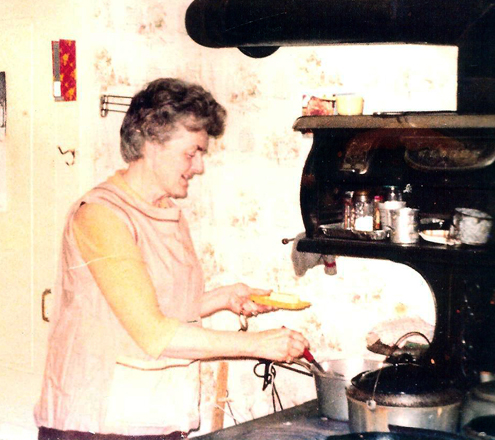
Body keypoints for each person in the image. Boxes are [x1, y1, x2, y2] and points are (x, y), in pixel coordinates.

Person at [35, 78, 310, 440]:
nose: (198, 167)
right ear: (150, 141)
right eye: (191, 152)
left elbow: (156, 304)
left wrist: (223, 298)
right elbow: (154, 333)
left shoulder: (166, 211)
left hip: (156, 413)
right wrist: (258, 345)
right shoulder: (101, 216)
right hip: (97, 422)